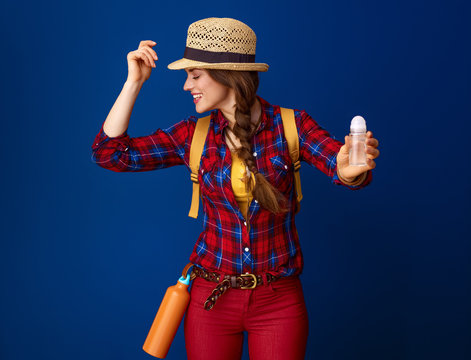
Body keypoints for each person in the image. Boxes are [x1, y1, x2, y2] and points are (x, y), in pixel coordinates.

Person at [91, 17, 380, 360]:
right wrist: (133, 83)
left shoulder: (292, 126)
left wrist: (350, 170)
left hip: (278, 301)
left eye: (194, 75)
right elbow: (109, 155)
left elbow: (344, 168)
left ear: (228, 76)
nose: (187, 86)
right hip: (210, 300)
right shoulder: (192, 135)